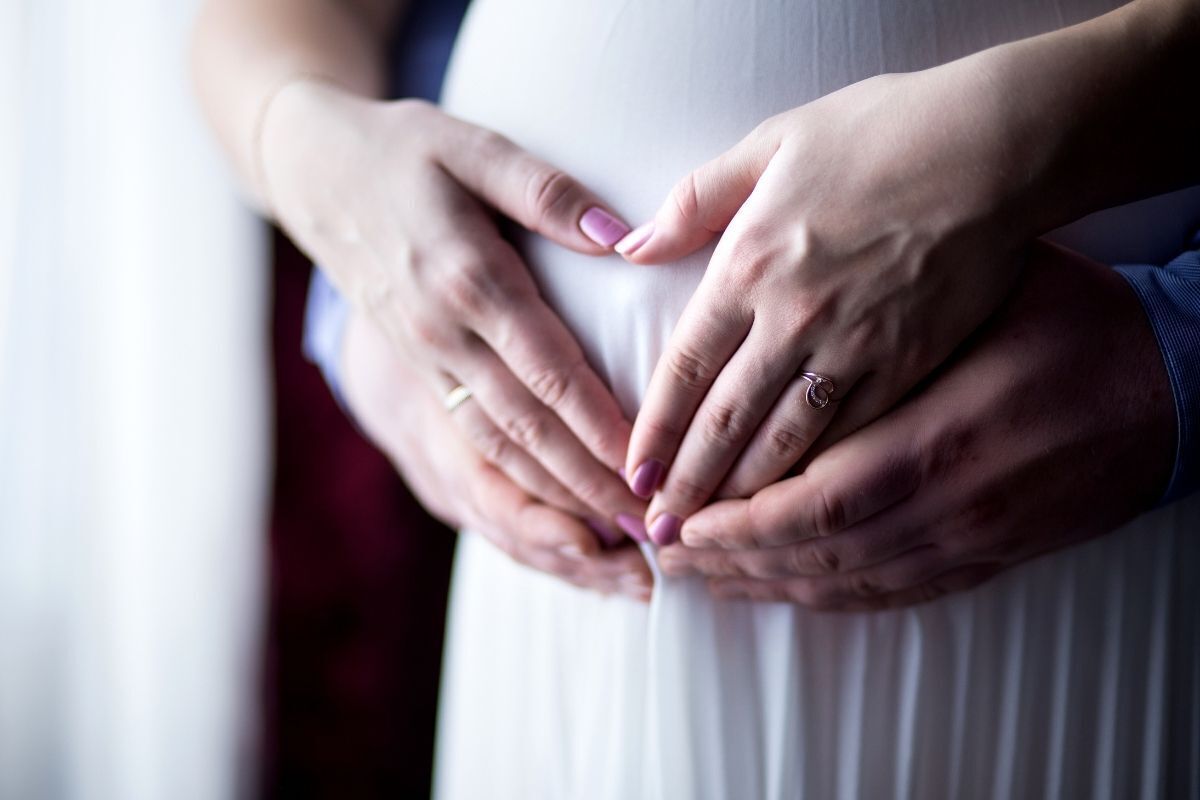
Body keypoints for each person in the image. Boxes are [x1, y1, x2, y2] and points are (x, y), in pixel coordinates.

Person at [192, 0, 1200, 796]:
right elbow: (266, 22)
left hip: (1078, 540)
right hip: (569, 604)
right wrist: (342, 222)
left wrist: (1173, 364)